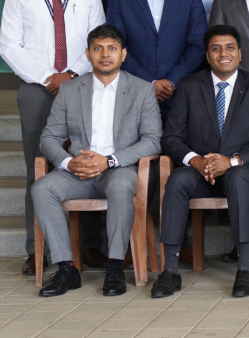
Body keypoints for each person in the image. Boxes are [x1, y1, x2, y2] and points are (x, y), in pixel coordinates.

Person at [0, 0, 106, 276]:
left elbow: (98, 41)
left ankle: (90, 246)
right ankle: (37, 249)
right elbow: (9, 46)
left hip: (82, 84)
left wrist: (70, 74)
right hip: (36, 88)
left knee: (86, 159)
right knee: (37, 166)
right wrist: (49, 77)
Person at [153, 25, 249, 300]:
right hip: (201, 171)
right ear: (207, 55)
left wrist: (233, 160)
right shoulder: (189, 86)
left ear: (240, 53)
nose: (223, 53)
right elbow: (171, 137)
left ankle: (244, 268)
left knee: (237, 178)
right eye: (216, 49)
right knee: (177, 179)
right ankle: (170, 270)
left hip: (243, 171)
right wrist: (194, 160)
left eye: (229, 48)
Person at [34, 24, 161, 297]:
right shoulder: (69, 90)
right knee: (42, 188)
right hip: (77, 172)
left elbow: (152, 140)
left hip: (119, 170)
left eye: (112, 48)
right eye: (98, 49)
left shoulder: (141, 90)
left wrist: (110, 161)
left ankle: (115, 267)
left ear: (123, 54)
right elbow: (49, 138)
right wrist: (69, 163)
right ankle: (67, 269)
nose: (105, 55)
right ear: (88, 54)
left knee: (120, 186)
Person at [106, 0, 208, 117]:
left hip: (181, 93)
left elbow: (198, 44)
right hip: (135, 94)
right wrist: (149, 83)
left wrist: (172, 81)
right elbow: (116, 47)